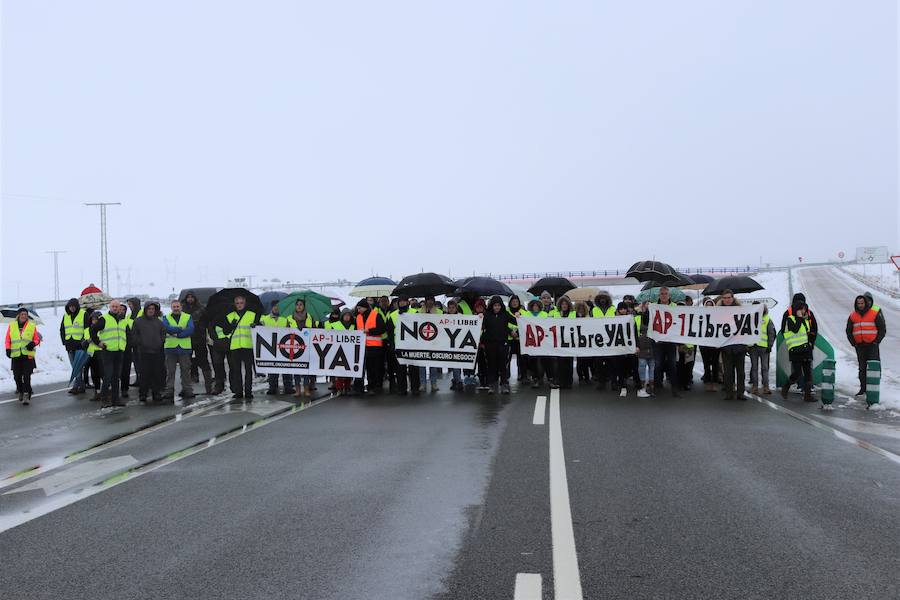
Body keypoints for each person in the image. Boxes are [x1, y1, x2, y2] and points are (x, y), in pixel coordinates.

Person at [219, 295, 259, 402]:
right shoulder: (230, 316)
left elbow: (259, 327)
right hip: (235, 346)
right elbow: (225, 331)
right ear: (235, 304)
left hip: (248, 346)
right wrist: (231, 326)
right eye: (237, 303)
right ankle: (238, 392)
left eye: (241, 303)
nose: (239, 305)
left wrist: (255, 325)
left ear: (245, 303)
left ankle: (248, 391)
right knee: (236, 371)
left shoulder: (252, 315)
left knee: (248, 371)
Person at [846, 293, 886, 397]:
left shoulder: (875, 312)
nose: (861, 305)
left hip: (872, 345)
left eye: (863, 303)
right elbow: (848, 330)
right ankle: (863, 388)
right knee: (862, 368)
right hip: (860, 346)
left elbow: (882, 328)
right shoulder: (853, 315)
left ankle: (874, 387)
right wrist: (853, 343)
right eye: (859, 303)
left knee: (873, 367)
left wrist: (877, 341)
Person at [91, 299, 128, 408]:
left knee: (116, 376)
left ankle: (116, 399)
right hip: (108, 351)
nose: (115, 308)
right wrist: (98, 342)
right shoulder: (104, 319)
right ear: (110, 307)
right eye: (113, 306)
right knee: (108, 375)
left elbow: (127, 333)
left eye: (117, 307)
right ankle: (104, 399)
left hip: (119, 350)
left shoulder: (122, 320)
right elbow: (93, 330)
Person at [131, 301, 166, 403]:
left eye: (153, 309)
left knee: (156, 373)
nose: (151, 311)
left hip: (156, 351)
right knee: (144, 374)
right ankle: (143, 394)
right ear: (145, 310)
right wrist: (140, 342)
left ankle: (156, 393)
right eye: (149, 309)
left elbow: (163, 333)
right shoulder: (138, 321)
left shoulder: (159, 322)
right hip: (143, 351)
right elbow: (134, 334)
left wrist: (160, 342)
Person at [6, 306, 41, 405]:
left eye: (25, 314)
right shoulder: (12, 325)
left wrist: (33, 343)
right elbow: (7, 339)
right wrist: (8, 349)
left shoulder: (31, 325)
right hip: (16, 355)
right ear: (18, 315)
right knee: (17, 376)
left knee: (26, 377)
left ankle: (26, 395)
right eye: (22, 314)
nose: (24, 316)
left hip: (27, 356)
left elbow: (37, 339)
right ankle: (21, 391)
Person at [162, 300, 195, 403]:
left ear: (181, 307)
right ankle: (169, 390)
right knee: (170, 371)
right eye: (174, 307)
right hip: (170, 348)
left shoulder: (187, 317)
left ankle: (187, 390)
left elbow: (190, 329)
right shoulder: (166, 317)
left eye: (178, 306)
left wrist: (178, 335)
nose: (176, 308)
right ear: (171, 307)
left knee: (185, 370)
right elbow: (166, 328)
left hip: (184, 347)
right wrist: (180, 328)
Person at [781, 302, 815, 403]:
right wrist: (800, 318)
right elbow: (795, 330)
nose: (803, 312)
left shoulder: (805, 320)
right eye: (802, 309)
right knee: (797, 372)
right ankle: (786, 387)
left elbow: (807, 333)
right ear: (797, 310)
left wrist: (811, 336)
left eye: (804, 310)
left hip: (805, 349)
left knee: (808, 373)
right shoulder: (790, 319)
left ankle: (807, 395)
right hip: (795, 350)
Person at [717, 290, 747, 401]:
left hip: (739, 347)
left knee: (740, 372)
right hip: (726, 348)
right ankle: (729, 392)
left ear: (733, 298)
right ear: (722, 299)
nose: (727, 300)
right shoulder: (718, 312)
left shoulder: (741, 310)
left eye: (729, 297)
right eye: (724, 298)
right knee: (728, 372)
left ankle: (740, 393)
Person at [482, 295, 514, 394]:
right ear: (492, 306)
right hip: (490, 343)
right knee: (491, 365)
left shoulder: (505, 314)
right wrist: (479, 317)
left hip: (503, 343)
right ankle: (491, 384)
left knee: (503, 364)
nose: (497, 307)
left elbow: (515, 321)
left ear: (501, 306)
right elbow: (481, 327)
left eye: (499, 305)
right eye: (495, 305)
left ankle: (504, 383)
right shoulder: (486, 315)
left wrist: (518, 315)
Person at [261, 301, 294, 396]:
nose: (276, 308)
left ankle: (288, 386)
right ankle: (272, 386)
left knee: (286, 367)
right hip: (271, 348)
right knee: (272, 367)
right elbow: (260, 330)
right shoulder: (264, 319)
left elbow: (289, 331)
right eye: (274, 306)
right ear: (271, 307)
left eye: (278, 306)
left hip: (283, 347)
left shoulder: (285, 319)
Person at [183, 291, 213, 394]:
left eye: (192, 297)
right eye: (188, 297)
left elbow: (206, 321)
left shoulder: (201, 308)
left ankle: (209, 387)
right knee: (186, 363)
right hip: (187, 339)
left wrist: (201, 328)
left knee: (203, 362)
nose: (190, 299)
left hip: (199, 338)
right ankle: (187, 388)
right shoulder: (183, 309)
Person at [652, 287, 681, 397]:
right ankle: (657, 387)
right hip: (658, 341)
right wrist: (645, 311)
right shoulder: (654, 306)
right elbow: (647, 321)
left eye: (666, 294)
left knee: (672, 365)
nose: (664, 295)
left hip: (670, 341)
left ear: (669, 295)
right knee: (658, 365)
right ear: (659, 295)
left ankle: (675, 389)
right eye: (662, 294)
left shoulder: (674, 306)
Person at [388, 296, 419, 395]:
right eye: (400, 302)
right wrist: (392, 345)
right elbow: (389, 333)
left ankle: (415, 388)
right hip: (399, 345)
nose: (402, 303)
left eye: (403, 301)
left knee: (413, 368)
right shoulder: (392, 315)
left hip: (412, 344)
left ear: (407, 302)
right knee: (400, 368)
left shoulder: (415, 312)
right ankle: (402, 389)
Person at [287, 299, 318, 397]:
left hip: (307, 346)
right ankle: (297, 390)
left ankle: (306, 389)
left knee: (306, 369)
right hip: (295, 346)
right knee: (296, 369)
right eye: (297, 305)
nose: (299, 306)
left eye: (301, 304)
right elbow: (286, 331)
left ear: (304, 306)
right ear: (295, 306)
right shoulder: (290, 318)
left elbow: (315, 330)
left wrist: (306, 329)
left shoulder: (309, 317)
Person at [356, 299, 386, 395]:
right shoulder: (358, 317)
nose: (358, 310)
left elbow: (382, 329)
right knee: (366, 367)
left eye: (359, 308)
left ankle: (375, 386)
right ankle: (369, 386)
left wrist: (369, 330)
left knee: (374, 368)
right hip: (362, 346)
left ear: (364, 307)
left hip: (375, 346)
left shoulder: (376, 315)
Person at [60, 298, 87, 394]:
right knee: (74, 366)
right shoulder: (66, 316)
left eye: (73, 306)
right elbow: (62, 330)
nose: (72, 308)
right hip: (69, 345)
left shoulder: (83, 314)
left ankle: (77, 386)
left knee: (78, 366)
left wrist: (84, 340)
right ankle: (80, 384)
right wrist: (64, 341)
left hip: (80, 345)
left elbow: (87, 328)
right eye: (70, 306)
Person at [549, 296, 576, 389]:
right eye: (562, 304)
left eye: (566, 304)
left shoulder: (573, 314)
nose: (564, 305)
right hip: (559, 341)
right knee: (560, 362)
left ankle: (569, 381)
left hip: (569, 341)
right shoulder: (556, 314)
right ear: (560, 305)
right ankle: (561, 380)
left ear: (568, 305)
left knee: (569, 362)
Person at [749, 302, 776, 395]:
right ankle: (755, 387)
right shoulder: (750, 318)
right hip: (753, 346)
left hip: (764, 347)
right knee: (754, 368)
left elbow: (771, 333)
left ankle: (766, 387)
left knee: (765, 368)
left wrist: (770, 346)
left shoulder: (767, 319)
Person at [418, 295, 443, 393]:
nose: (430, 302)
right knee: (422, 364)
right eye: (428, 300)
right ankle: (423, 384)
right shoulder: (419, 312)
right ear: (425, 301)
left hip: (434, 342)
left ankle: (434, 383)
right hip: (422, 341)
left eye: (431, 300)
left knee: (433, 364)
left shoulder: (440, 312)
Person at [591, 291, 616, 390]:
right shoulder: (594, 310)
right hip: (599, 340)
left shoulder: (613, 309)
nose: (602, 300)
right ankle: (601, 382)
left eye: (604, 298)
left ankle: (613, 381)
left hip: (611, 340)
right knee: (598, 363)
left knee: (612, 363)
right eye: (601, 298)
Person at [331, 309, 357, 395]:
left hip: (350, 351)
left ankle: (347, 387)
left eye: (348, 315)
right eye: (345, 315)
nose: (346, 317)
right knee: (339, 371)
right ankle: (339, 388)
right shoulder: (335, 325)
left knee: (348, 371)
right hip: (338, 351)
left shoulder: (354, 326)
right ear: (342, 316)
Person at [699, 297, 721, 392]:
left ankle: (714, 383)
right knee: (706, 364)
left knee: (715, 365)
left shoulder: (717, 316)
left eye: (710, 306)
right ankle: (708, 382)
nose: (709, 307)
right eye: (707, 306)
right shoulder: (701, 316)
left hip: (715, 345)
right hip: (704, 345)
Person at [526, 298, 548, 388]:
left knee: (541, 360)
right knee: (532, 361)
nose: (535, 307)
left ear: (539, 306)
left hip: (542, 342)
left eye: (537, 305)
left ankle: (540, 378)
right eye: (533, 305)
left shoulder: (544, 314)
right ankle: (535, 377)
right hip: (531, 342)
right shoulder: (526, 314)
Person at [82, 310, 104, 401]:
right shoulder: (87, 330)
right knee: (94, 374)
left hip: (101, 353)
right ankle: (97, 392)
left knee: (103, 373)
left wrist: (95, 340)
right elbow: (83, 343)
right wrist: (87, 341)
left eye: (96, 319)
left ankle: (109, 390)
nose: (94, 321)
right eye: (93, 319)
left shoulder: (103, 329)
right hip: (91, 354)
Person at [444, 299, 464, 391]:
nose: (451, 309)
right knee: (452, 363)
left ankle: (458, 381)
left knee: (456, 363)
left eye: (453, 307)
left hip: (458, 343)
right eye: (450, 308)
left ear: (456, 308)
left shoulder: (461, 317)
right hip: (448, 343)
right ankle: (456, 380)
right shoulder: (444, 317)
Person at [636, 308, 655, 397]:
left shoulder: (638, 320)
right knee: (649, 369)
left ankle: (645, 387)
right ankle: (648, 387)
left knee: (645, 369)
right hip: (647, 350)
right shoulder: (652, 324)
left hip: (644, 351)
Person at [574, 302, 592, 383]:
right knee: (579, 361)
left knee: (586, 361)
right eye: (579, 309)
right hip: (577, 341)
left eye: (582, 309)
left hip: (586, 341)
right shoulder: (574, 317)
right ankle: (580, 376)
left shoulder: (588, 317)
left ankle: (587, 377)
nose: (581, 310)